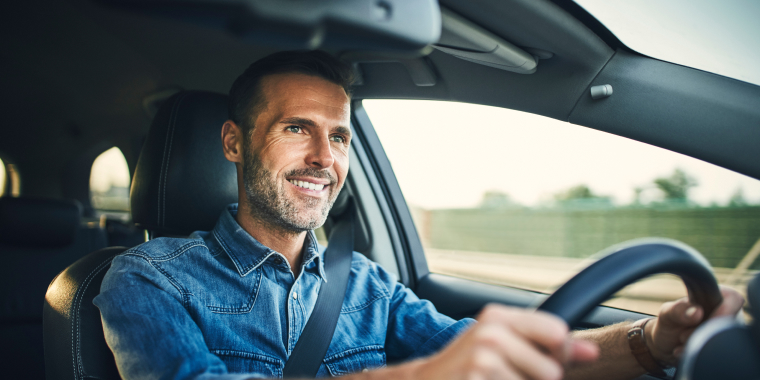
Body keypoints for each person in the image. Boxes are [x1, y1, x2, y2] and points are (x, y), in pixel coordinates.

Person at [94, 50, 744, 380]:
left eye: (340, 136)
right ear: (235, 143)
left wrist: (647, 342)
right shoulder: (147, 279)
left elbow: (490, 357)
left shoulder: (367, 284)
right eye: (298, 128)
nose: (325, 158)